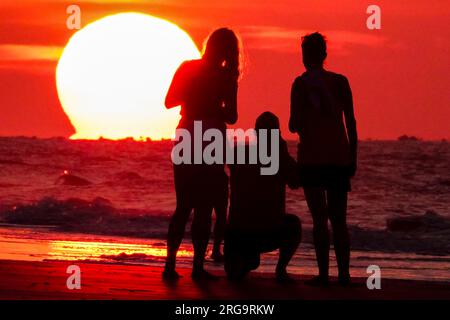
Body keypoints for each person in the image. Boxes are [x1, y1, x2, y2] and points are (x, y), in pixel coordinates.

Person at [163, 28, 241, 281]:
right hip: (210, 138)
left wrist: (195, 94)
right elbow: (231, 116)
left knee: (183, 206)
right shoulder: (227, 75)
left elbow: (169, 100)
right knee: (205, 208)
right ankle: (196, 267)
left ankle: (170, 265)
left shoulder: (188, 68)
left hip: (187, 133)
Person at [289, 32, 358, 286]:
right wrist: (354, 157)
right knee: (339, 220)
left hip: (312, 159)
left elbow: (293, 124)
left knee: (320, 219)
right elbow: (350, 122)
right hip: (338, 158)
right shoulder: (340, 82)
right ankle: (343, 275)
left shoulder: (299, 84)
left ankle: (323, 275)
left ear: (305, 56)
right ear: (325, 55)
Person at [224, 112, 302, 283]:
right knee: (294, 225)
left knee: (241, 270)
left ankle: (243, 259)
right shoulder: (280, 157)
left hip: (237, 233)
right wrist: (282, 151)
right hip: (265, 233)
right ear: (277, 134)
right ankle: (280, 270)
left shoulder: (238, 153)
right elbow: (297, 181)